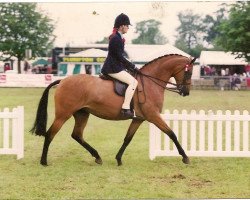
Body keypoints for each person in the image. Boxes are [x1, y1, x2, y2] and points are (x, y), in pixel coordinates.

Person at [101, 13, 139, 118]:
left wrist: (129, 67)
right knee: (133, 82)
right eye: (127, 26)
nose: (128, 28)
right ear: (121, 26)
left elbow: (119, 57)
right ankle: (125, 108)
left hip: (116, 66)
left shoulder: (118, 37)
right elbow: (119, 57)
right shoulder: (115, 38)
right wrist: (132, 66)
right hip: (112, 68)